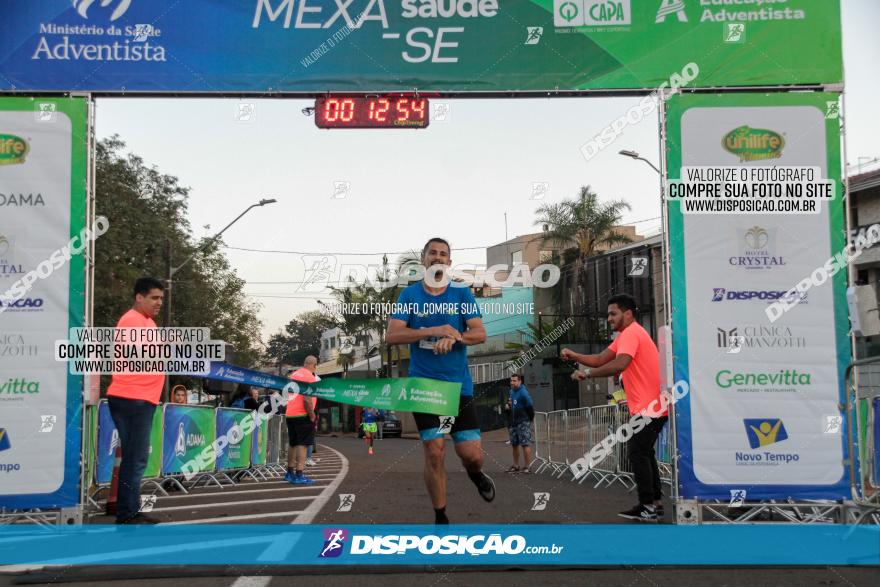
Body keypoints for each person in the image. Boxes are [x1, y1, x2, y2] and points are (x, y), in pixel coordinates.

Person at [387, 237, 495, 525]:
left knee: (471, 454)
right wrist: (431, 330)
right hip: (423, 385)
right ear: (423, 260)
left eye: (443, 254)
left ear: (449, 262)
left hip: (459, 386)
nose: (437, 257)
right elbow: (393, 335)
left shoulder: (461, 294)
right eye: (432, 253)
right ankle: (440, 515)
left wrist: (455, 336)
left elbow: (480, 333)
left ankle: (475, 473)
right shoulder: (409, 296)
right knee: (435, 450)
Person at [561, 293, 665, 523]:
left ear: (628, 314)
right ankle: (654, 504)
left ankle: (648, 506)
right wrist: (574, 354)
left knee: (638, 453)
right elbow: (600, 358)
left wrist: (586, 374)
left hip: (650, 407)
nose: (608, 318)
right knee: (644, 453)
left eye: (613, 313)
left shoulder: (631, 333)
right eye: (608, 314)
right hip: (650, 406)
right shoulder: (626, 335)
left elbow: (620, 363)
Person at [106, 277, 166, 524]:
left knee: (135, 457)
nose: (159, 303)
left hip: (139, 398)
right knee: (135, 457)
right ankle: (127, 514)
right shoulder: (132, 320)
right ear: (138, 297)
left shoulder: (147, 323)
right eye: (154, 297)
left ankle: (129, 510)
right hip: (132, 397)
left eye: (161, 298)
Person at [284, 356, 320, 485]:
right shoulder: (310, 377)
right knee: (303, 444)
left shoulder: (294, 375)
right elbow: (306, 399)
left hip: (290, 413)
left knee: (293, 443)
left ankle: (289, 472)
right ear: (314, 365)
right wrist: (311, 415)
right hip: (302, 414)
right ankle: (299, 474)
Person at [505, 374, 535, 473]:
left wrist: (529, 419)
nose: (512, 383)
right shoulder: (511, 391)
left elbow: (530, 406)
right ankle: (516, 465)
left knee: (525, 444)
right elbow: (511, 403)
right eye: (511, 381)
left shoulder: (523, 393)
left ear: (520, 381)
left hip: (523, 421)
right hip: (513, 422)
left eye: (514, 381)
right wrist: (508, 406)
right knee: (514, 444)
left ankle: (527, 467)